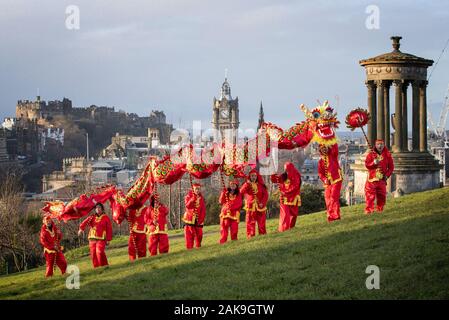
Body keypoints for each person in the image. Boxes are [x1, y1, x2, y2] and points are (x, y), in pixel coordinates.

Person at [364, 139, 394, 214]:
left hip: (382, 179)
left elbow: (391, 167)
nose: (380, 146)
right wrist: (373, 163)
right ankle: (369, 210)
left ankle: (380, 210)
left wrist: (386, 176)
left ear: (384, 145)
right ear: (375, 145)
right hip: (372, 179)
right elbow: (367, 165)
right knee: (370, 196)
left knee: (382, 195)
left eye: (381, 144)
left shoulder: (388, 155)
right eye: (378, 144)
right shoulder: (370, 155)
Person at [78, 203, 113, 268]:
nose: (98, 209)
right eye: (96, 208)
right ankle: (97, 268)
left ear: (102, 209)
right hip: (92, 238)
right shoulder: (92, 217)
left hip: (101, 238)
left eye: (99, 207)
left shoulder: (106, 218)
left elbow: (109, 229)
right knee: (93, 254)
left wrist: (108, 239)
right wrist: (81, 229)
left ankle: (103, 265)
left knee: (99, 252)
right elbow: (85, 222)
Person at [271, 162, 302, 232]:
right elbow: (275, 180)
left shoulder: (296, 175)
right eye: (285, 170)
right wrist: (273, 174)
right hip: (284, 198)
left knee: (294, 215)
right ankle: (284, 229)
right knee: (285, 214)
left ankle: (290, 228)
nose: (286, 171)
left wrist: (285, 191)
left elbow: (296, 186)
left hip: (293, 198)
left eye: (287, 170)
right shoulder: (283, 176)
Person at [240, 169, 268, 238]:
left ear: (257, 176)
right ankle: (251, 236)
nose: (253, 177)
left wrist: (262, 203)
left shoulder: (261, 185)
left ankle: (263, 234)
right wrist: (247, 183)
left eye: (255, 176)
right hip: (251, 206)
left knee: (261, 221)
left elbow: (265, 195)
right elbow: (241, 191)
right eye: (252, 176)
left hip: (260, 207)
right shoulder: (247, 185)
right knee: (250, 222)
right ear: (250, 176)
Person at [318, 144, 342, 222]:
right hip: (328, 183)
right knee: (328, 198)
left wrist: (331, 139)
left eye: (325, 148)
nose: (324, 150)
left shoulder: (333, 155)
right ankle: (331, 214)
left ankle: (334, 216)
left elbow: (335, 148)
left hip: (336, 179)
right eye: (322, 148)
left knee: (334, 197)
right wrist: (324, 179)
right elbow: (320, 173)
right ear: (320, 150)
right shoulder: (320, 161)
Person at [218, 179, 243, 244]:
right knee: (224, 228)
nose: (232, 185)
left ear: (236, 186)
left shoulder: (239, 194)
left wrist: (230, 207)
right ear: (229, 185)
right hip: (225, 213)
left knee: (234, 228)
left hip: (234, 214)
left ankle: (234, 241)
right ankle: (223, 241)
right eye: (231, 184)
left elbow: (239, 203)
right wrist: (223, 193)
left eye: (234, 184)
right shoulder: (226, 192)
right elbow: (221, 201)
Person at [182, 183, 206, 249]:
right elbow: (188, 206)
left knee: (199, 234)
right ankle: (189, 248)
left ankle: (198, 246)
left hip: (198, 219)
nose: (197, 190)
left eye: (198, 189)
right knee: (189, 234)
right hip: (189, 218)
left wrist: (201, 219)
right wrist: (192, 199)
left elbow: (203, 209)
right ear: (193, 189)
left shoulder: (201, 198)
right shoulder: (188, 196)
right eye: (196, 189)